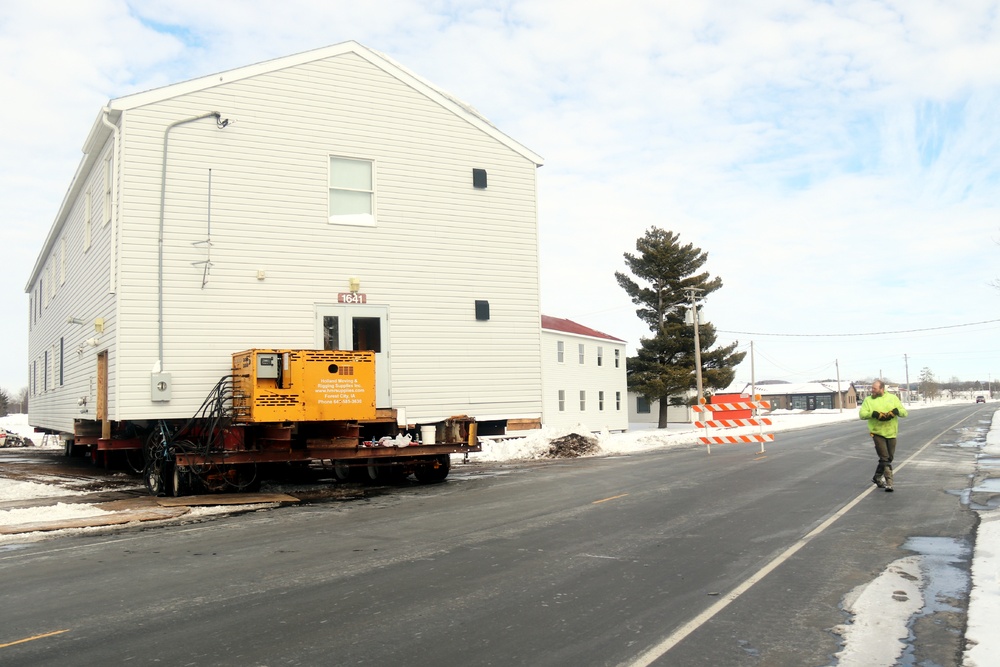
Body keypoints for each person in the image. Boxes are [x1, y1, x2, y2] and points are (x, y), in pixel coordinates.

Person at [858, 380, 908, 492]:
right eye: (872, 388)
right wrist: (874, 414)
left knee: (889, 458)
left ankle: (877, 477)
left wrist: (896, 411)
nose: (872, 390)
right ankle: (889, 482)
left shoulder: (892, 398)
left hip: (891, 432)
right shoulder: (868, 400)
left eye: (874, 388)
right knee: (885, 458)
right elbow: (862, 414)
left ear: (882, 389)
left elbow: (904, 413)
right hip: (877, 432)